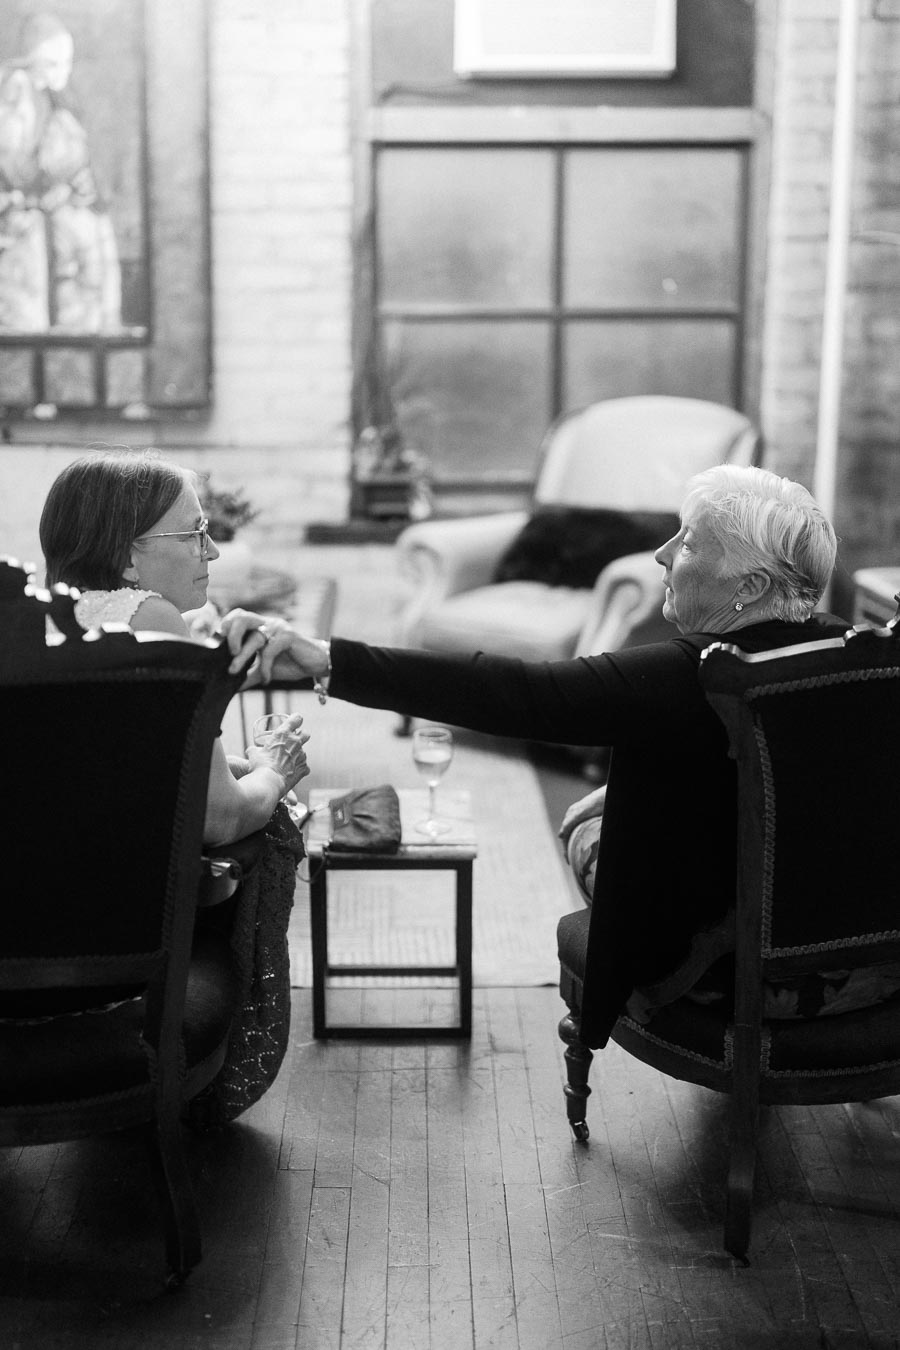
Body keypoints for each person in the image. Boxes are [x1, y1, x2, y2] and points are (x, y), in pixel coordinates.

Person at [220, 464, 846, 1049]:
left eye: (686, 542)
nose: (661, 554)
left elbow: (517, 693)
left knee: (585, 823)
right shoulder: (859, 656)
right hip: (852, 948)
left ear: (753, 585)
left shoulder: (682, 677)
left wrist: (329, 657)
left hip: (717, 968)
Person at [39, 449, 310, 1124]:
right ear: (129, 558)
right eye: (193, 533)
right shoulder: (148, 617)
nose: (211, 550)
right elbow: (219, 818)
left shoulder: (45, 623)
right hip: (113, 954)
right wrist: (276, 767)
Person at [0, 11, 122, 332]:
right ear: (31, 60)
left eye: (66, 63)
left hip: (51, 220)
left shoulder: (57, 100)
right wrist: (43, 192)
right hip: (17, 225)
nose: (62, 72)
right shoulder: (16, 88)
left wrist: (74, 186)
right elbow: (14, 160)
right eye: (52, 63)